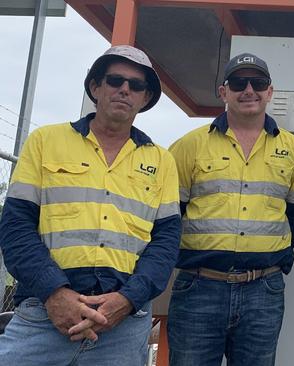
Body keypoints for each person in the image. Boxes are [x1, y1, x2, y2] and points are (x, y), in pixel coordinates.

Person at [0, 45, 181, 365]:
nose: (125, 89)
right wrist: (55, 293)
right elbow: (16, 226)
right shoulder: (46, 142)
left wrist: (128, 299)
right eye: (115, 80)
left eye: (137, 85)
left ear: (145, 98)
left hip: (124, 327)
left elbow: (165, 244)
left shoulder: (161, 161)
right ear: (96, 87)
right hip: (44, 316)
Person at [167, 53, 294, 366]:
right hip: (199, 287)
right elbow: (168, 218)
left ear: (270, 92)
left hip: (264, 290)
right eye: (238, 82)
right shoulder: (188, 146)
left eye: (257, 82)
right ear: (223, 92)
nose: (248, 89)